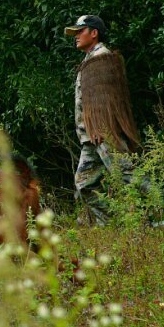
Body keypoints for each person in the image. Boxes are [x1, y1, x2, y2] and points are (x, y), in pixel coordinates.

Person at [64, 15, 141, 223]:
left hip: (103, 133)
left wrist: (100, 127)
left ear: (94, 33)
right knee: (84, 184)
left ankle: (163, 216)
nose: (76, 36)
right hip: (91, 136)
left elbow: (105, 99)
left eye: (80, 31)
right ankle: (110, 222)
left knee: (127, 176)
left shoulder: (102, 57)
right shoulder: (90, 59)